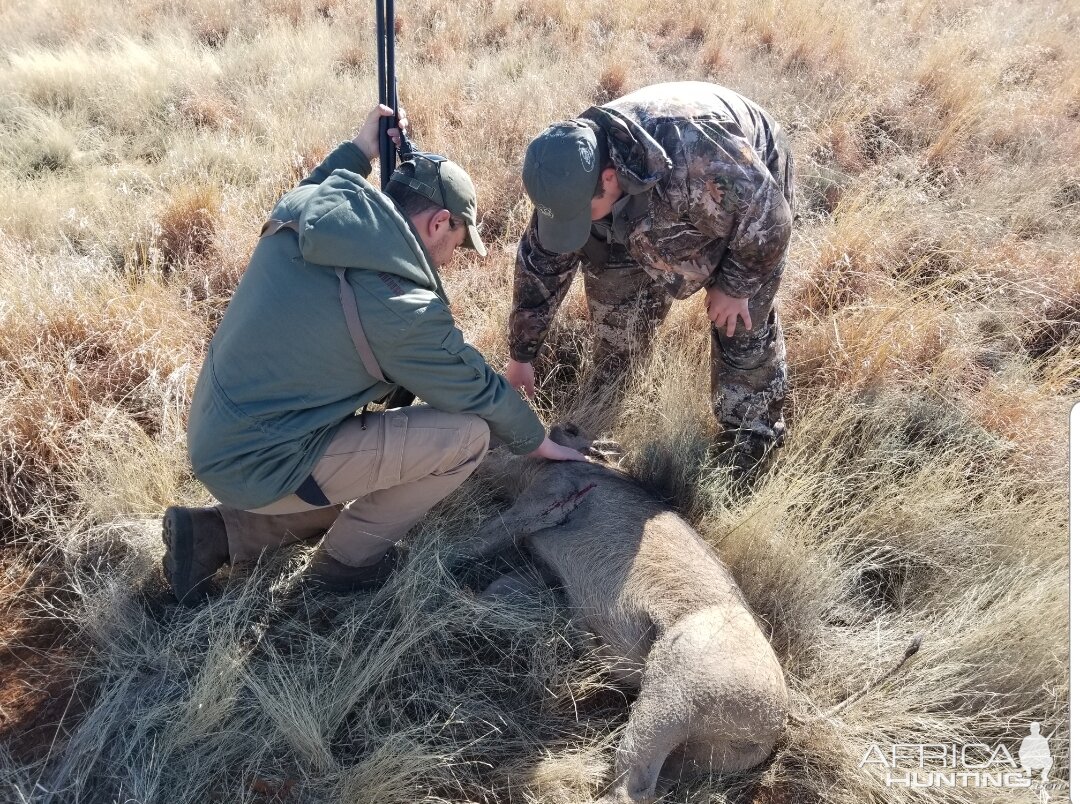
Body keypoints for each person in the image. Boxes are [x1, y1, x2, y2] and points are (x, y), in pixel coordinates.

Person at [162, 104, 583, 605]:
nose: (452, 260)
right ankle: (342, 571)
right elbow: (476, 389)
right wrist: (536, 441)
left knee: (368, 467)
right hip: (259, 458)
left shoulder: (307, 207)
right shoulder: (400, 304)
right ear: (439, 221)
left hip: (220, 432)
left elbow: (324, 175)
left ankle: (214, 536)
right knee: (466, 438)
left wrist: (362, 149)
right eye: (456, 243)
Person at [505, 81, 794, 473]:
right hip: (648, 202)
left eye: (579, 214)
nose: (574, 225)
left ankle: (751, 439)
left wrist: (734, 286)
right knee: (616, 304)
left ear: (608, 179)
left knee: (740, 325)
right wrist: (522, 357)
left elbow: (770, 220)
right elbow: (540, 267)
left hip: (751, 190)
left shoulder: (695, 155)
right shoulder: (564, 176)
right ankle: (612, 396)